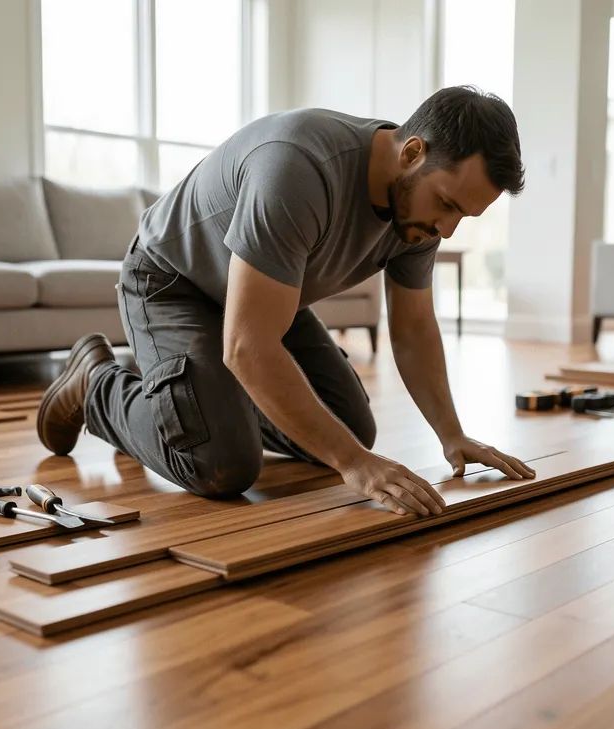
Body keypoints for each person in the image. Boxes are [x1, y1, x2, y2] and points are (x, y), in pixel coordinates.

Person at [36, 85, 535, 516]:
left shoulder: (419, 213)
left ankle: (183, 398)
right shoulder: (300, 167)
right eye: (447, 205)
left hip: (265, 298)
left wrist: (453, 435)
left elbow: (413, 331)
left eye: (463, 217)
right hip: (172, 282)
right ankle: (97, 384)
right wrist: (356, 466)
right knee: (222, 463)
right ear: (412, 154)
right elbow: (247, 347)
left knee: (351, 428)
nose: (446, 229)